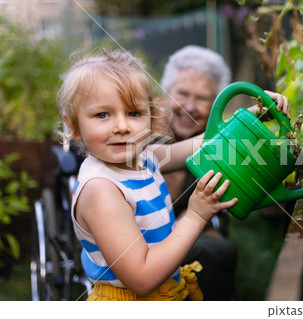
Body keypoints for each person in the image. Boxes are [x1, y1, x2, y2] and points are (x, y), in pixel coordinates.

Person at [56, 48, 289, 301]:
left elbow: (211, 143)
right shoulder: (102, 189)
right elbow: (142, 278)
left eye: (134, 113)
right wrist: (196, 215)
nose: (122, 127)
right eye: (103, 115)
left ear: (151, 116)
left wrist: (255, 115)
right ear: (74, 126)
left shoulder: (145, 158)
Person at [158, 45, 290, 300]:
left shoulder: (222, 142)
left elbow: (217, 147)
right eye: (182, 94)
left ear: (218, 100)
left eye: (202, 98)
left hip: (193, 221)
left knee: (210, 251)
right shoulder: (138, 132)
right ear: (165, 94)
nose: (189, 107)